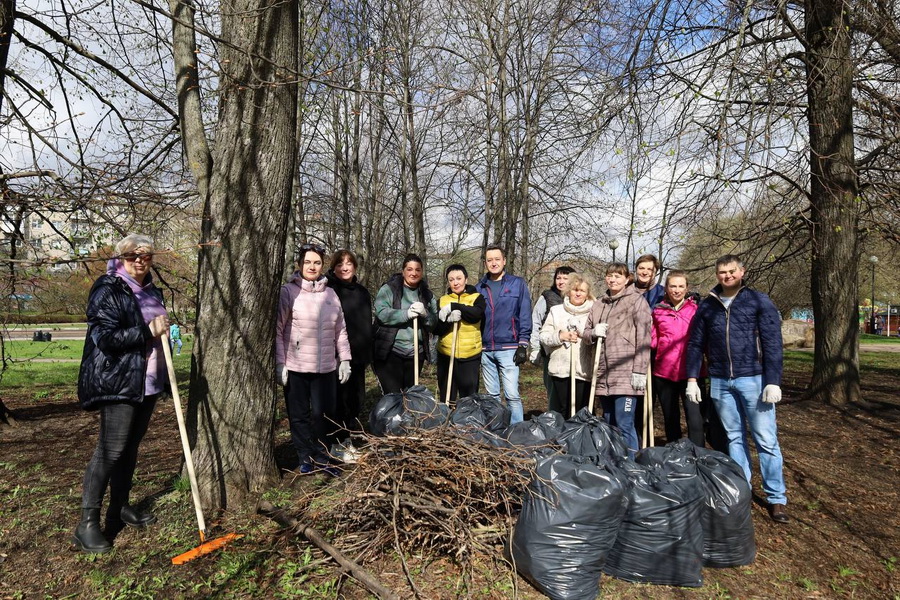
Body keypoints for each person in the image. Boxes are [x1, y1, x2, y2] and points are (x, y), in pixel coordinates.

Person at [73, 234, 170, 554]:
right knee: (110, 449)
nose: (140, 260)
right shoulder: (108, 287)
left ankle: (120, 507)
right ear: (120, 257)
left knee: (129, 449)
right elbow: (106, 338)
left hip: (148, 382)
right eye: (133, 255)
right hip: (118, 382)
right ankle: (87, 523)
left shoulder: (152, 289)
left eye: (146, 255)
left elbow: (158, 331)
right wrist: (147, 331)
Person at [685, 254, 789, 523]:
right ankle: (743, 491)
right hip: (720, 380)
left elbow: (772, 343)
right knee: (734, 438)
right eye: (722, 272)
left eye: (732, 271)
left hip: (753, 378)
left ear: (742, 271)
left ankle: (776, 497)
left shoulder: (758, 301)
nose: (727, 276)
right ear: (717, 274)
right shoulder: (707, 306)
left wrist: (773, 380)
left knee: (766, 440)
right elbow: (696, 344)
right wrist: (693, 378)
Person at [275, 243, 352, 475]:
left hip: (326, 367)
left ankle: (323, 457)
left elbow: (340, 330)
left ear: (322, 265)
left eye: (317, 262)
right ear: (299, 265)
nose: (312, 266)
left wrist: (345, 359)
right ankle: (305, 456)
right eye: (307, 262)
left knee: (324, 416)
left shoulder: (331, 294)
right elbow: (277, 329)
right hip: (296, 366)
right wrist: (280, 363)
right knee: (299, 416)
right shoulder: (288, 292)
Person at [582, 263, 651, 456]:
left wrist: (639, 370)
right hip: (604, 374)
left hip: (627, 374)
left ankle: (631, 466)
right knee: (609, 422)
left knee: (624, 422)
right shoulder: (599, 304)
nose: (613, 280)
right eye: (610, 276)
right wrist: (594, 333)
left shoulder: (636, 301)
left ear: (627, 279)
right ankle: (614, 463)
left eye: (618, 276)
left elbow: (644, 338)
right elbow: (586, 334)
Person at [475, 245, 532, 424]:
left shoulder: (517, 284)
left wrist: (523, 343)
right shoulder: (479, 288)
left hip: (509, 347)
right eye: (490, 260)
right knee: (491, 396)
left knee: (512, 395)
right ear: (485, 263)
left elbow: (524, 313)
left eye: (497, 259)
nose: (494, 263)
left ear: (504, 261)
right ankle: (496, 429)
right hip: (485, 349)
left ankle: (517, 432)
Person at [651, 270, 706, 446]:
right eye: (673, 286)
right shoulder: (658, 311)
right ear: (666, 288)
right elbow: (653, 339)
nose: (676, 290)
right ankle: (675, 456)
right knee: (670, 417)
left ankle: (699, 455)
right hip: (664, 372)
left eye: (681, 286)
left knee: (695, 417)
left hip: (692, 373)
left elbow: (704, 339)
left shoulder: (696, 310)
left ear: (687, 288)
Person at [325, 250, 373, 446]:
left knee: (356, 399)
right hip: (336, 355)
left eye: (348, 264)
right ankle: (339, 439)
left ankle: (348, 434)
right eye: (339, 264)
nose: (344, 268)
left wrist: (368, 353)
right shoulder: (328, 290)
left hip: (358, 355)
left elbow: (366, 323)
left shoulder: (362, 292)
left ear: (355, 266)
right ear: (333, 267)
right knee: (339, 400)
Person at [372, 254, 438, 394]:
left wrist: (426, 314)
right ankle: (392, 416)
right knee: (393, 395)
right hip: (391, 351)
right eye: (409, 269)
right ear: (403, 271)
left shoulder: (427, 295)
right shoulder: (389, 289)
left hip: (415, 353)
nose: (413, 273)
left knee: (410, 395)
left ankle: (408, 416)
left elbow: (434, 323)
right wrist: (406, 314)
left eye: (417, 270)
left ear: (422, 272)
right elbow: (382, 313)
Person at [539, 274, 595, 416]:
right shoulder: (556, 311)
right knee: (562, 409)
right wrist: (560, 336)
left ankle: (581, 437)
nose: (578, 293)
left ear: (587, 294)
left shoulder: (594, 312)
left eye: (582, 291)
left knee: (582, 411)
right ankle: (564, 437)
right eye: (575, 289)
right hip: (560, 369)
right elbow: (544, 336)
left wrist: (584, 332)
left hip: (584, 370)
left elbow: (596, 337)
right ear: (568, 291)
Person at [434, 264, 486, 406]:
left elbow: (476, 314)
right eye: (451, 280)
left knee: (469, 399)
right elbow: (436, 328)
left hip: (470, 355)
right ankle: (446, 424)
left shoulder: (477, 297)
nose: (455, 283)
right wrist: (449, 321)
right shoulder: (442, 301)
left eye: (458, 278)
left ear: (466, 279)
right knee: (446, 397)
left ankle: (467, 424)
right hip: (446, 355)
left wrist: (455, 307)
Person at [529, 265, 576, 410]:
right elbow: (535, 322)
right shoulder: (547, 297)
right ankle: (554, 422)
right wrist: (535, 348)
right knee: (554, 392)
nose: (561, 282)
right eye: (558, 278)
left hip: (575, 354)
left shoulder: (578, 297)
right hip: (551, 352)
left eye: (565, 278)